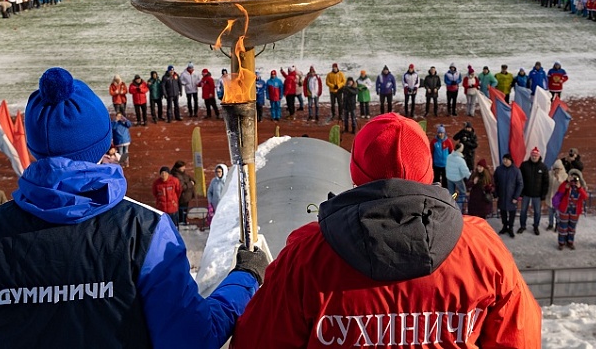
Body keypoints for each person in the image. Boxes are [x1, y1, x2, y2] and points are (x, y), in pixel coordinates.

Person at [0, 67, 267, 349]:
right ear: (105, 145)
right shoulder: (146, 231)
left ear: (32, 149)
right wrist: (245, 278)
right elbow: (192, 338)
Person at [231, 113, 541, 348]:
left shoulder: (306, 256)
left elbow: (256, 340)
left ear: (355, 173)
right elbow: (520, 336)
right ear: (427, 171)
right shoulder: (482, 248)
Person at [553, 170, 589, 250]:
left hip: (575, 211)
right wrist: (566, 182)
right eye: (573, 178)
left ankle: (570, 242)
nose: (574, 180)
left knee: (572, 228)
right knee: (563, 227)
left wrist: (579, 188)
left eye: (576, 178)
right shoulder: (566, 184)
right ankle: (561, 242)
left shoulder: (582, 186)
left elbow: (585, 197)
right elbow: (560, 191)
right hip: (565, 209)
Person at [518, 147, 549, 236]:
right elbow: (520, 179)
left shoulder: (543, 167)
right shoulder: (524, 165)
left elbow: (546, 182)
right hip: (526, 193)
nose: (534, 157)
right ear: (530, 156)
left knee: (537, 212)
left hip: (537, 195)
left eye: (536, 156)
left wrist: (543, 195)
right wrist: (520, 192)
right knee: (523, 211)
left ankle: (536, 226)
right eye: (533, 155)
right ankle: (522, 226)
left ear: (539, 156)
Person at [494, 153, 523, 238]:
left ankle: (510, 228)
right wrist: (495, 194)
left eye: (507, 159)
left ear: (511, 160)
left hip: (512, 197)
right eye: (504, 159)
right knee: (503, 212)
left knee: (512, 213)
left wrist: (515, 197)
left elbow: (520, 184)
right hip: (502, 196)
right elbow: (494, 182)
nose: (505, 161)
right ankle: (504, 226)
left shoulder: (516, 171)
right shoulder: (499, 169)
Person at [446, 143, 470, 212]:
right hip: (457, 179)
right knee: (463, 193)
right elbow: (465, 171)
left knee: (452, 193)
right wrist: (470, 177)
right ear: (460, 149)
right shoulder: (460, 160)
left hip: (449, 177)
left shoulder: (449, 156)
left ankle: (451, 206)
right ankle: (458, 208)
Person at [171, 160, 196, 225]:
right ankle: (181, 223)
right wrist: (190, 183)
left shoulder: (183, 174)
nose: (184, 168)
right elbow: (183, 187)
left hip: (186, 196)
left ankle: (183, 222)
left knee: (184, 211)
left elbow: (192, 179)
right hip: (182, 197)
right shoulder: (177, 175)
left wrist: (191, 182)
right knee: (182, 211)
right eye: (183, 167)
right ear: (179, 167)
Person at [546, 159, 567, 232]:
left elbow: (564, 186)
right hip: (550, 196)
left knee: (557, 213)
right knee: (550, 213)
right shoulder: (549, 174)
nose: (557, 171)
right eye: (555, 169)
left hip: (558, 198)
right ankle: (550, 224)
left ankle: (557, 225)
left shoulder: (565, 175)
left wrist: (558, 179)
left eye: (558, 169)